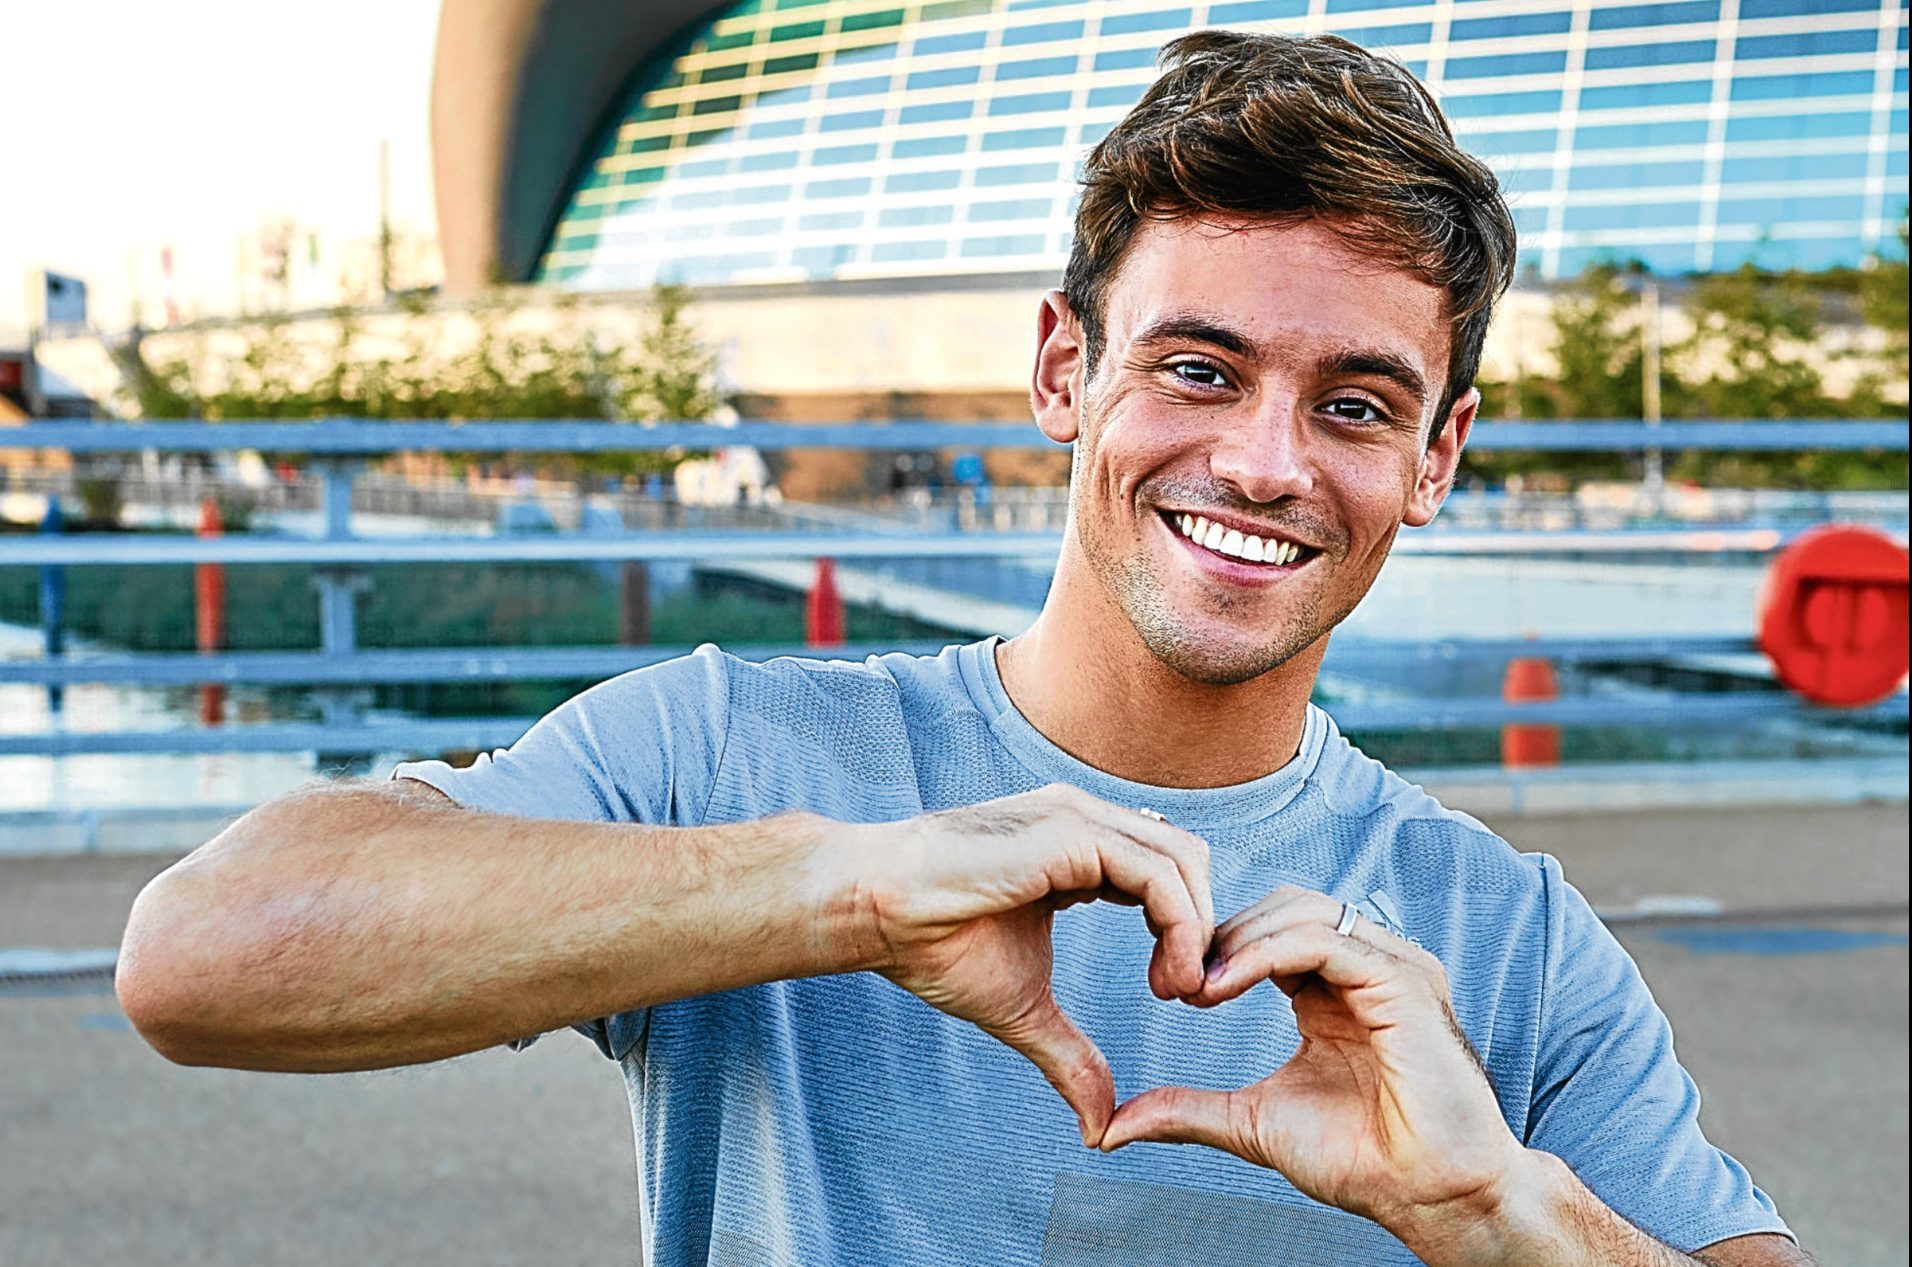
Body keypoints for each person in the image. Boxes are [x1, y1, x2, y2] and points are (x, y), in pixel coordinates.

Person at [117, 32, 1814, 1267]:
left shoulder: (1504, 943)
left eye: (1356, 404)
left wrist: (1498, 1211)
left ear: (1435, 462)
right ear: (1066, 371)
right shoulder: (738, 757)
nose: (1268, 464)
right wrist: (843, 889)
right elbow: (205, 957)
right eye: (1200, 369)